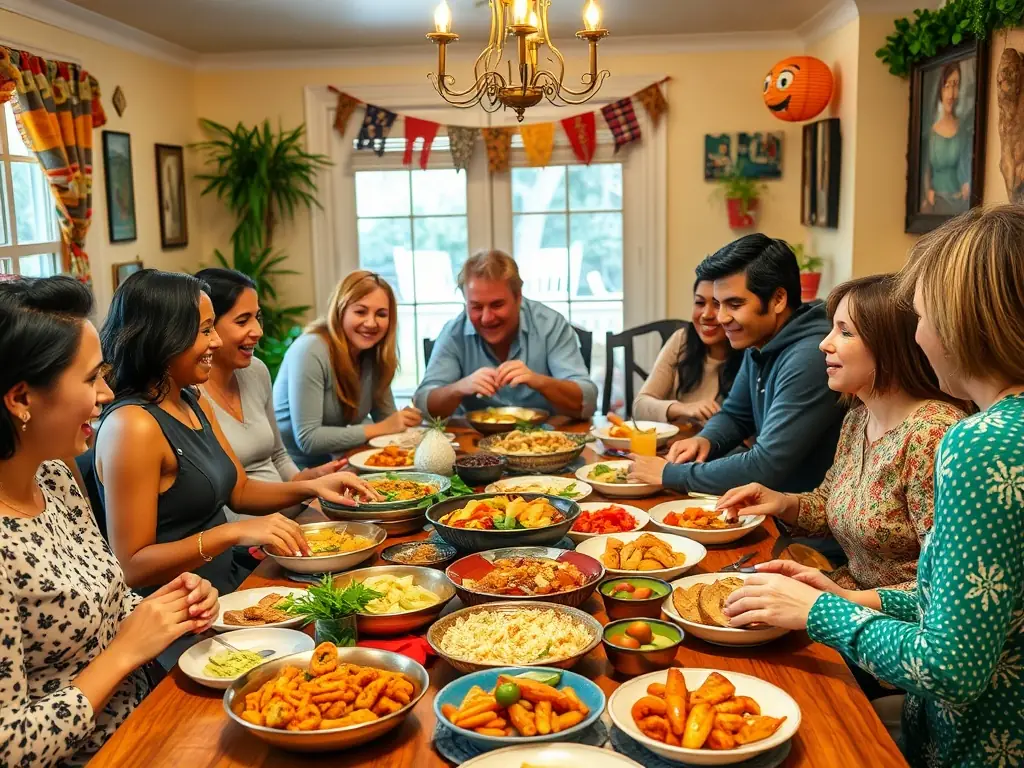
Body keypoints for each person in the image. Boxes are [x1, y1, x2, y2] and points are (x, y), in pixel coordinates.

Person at [723, 206, 1024, 767]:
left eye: (923, 315)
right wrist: (833, 591)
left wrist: (819, 611)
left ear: (964, 320)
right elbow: (958, 602)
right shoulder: (883, 419)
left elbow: (949, 666)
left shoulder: (975, 442)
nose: (919, 333)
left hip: (976, 746)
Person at [0, 276, 219, 767]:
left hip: (150, 719)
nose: (105, 393)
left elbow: (110, 601)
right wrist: (123, 653)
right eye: (90, 379)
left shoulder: (53, 473)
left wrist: (168, 607)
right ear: (21, 399)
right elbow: (9, 747)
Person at [94, 270, 376, 597]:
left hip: (230, 583)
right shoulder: (133, 426)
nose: (215, 340)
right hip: (182, 610)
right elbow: (131, 566)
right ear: (164, 338)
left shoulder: (191, 400)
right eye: (204, 330)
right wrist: (232, 533)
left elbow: (239, 490)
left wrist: (311, 486)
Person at [716, 274, 965, 592]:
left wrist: (841, 599)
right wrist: (780, 502)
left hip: (894, 625)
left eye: (845, 331)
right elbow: (830, 504)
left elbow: (945, 587)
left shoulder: (932, 435)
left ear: (889, 345)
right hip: (848, 597)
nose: (824, 343)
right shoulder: (858, 419)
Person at [629, 234, 845, 495]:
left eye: (735, 304)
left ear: (778, 299)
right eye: (719, 304)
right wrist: (705, 439)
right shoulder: (762, 341)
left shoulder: (810, 356)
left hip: (800, 519)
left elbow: (765, 466)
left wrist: (668, 473)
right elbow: (735, 414)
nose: (720, 317)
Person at [196, 268, 344, 522]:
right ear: (209, 327)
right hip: (246, 532)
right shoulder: (190, 393)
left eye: (257, 317)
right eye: (243, 321)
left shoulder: (256, 371)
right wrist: (302, 490)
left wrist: (307, 480)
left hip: (287, 512)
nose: (258, 331)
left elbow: (277, 455)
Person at [413, 249, 597, 420]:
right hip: (474, 445)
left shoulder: (550, 325)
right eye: (476, 307)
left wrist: (538, 381)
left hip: (546, 441)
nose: (486, 318)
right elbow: (422, 405)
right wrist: (459, 388)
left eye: (497, 305)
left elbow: (587, 401)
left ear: (518, 297)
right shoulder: (454, 333)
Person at [274, 271, 421, 470]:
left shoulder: (373, 355)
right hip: (295, 473)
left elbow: (388, 422)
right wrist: (382, 427)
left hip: (343, 462)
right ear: (340, 311)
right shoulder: (310, 349)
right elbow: (308, 439)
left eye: (381, 314)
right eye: (361, 312)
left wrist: (404, 421)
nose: (371, 323)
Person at [633, 275, 744, 424]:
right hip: (674, 444)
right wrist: (683, 408)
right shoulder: (682, 340)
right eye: (700, 302)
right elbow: (639, 407)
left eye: (717, 304)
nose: (706, 315)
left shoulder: (750, 353)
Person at [924, 62, 972, 216]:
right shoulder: (930, 134)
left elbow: (968, 166)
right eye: (946, 86)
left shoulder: (964, 131)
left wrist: (968, 184)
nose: (951, 94)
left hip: (960, 205)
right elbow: (925, 170)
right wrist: (927, 191)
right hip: (937, 203)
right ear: (939, 89)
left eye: (955, 85)